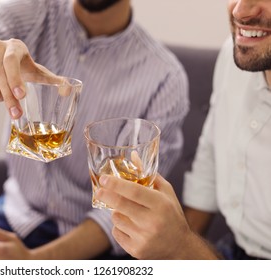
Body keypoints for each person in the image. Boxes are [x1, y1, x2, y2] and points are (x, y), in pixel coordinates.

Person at [0, 0, 188, 259]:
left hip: (86, 242)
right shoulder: (37, 12)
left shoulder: (164, 76)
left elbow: (123, 209)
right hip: (13, 212)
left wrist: (31, 263)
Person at [96, 0, 271, 260]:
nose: (240, 11)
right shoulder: (233, 54)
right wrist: (169, 246)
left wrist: (181, 247)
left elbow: (183, 247)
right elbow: (209, 164)